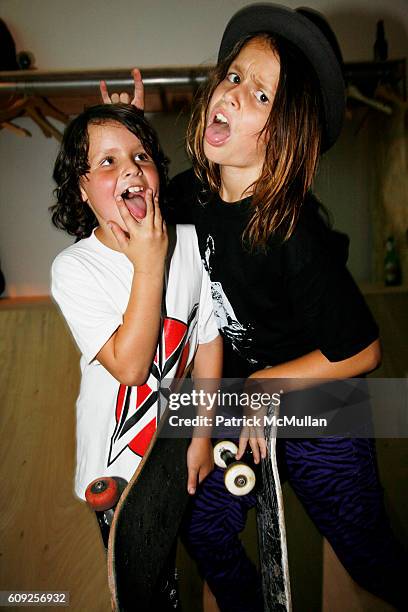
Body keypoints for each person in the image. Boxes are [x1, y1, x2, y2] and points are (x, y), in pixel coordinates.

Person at [100, 4, 407, 611]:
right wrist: (128, 139)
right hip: (238, 394)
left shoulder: (295, 234)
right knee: (205, 528)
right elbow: (130, 210)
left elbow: (362, 349)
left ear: (286, 132)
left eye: (261, 95)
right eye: (234, 77)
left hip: (321, 396)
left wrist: (270, 381)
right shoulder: (191, 194)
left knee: (368, 556)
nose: (235, 94)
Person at [50, 103, 222, 513]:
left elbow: (208, 344)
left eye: (141, 156)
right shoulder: (75, 268)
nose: (130, 169)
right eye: (108, 161)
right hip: (114, 471)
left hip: (179, 444)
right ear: (81, 189)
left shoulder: (195, 245)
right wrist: (149, 264)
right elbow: (130, 369)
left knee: (212, 551)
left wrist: (202, 436)